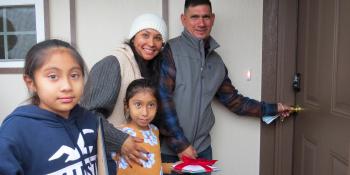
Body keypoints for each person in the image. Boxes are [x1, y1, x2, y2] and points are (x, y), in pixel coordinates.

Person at [158, 0, 292, 174]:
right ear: (183, 19)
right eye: (195, 17)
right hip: (170, 151)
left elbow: (235, 101)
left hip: (202, 150)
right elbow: (162, 101)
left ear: (212, 19)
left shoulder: (216, 62)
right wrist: (181, 145)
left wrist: (274, 108)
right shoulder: (170, 50)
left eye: (206, 17)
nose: (201, 23)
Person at [80, 13, 168, 173]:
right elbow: (88, 114)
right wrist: (120, 141)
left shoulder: (151, 68)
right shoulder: (113, 63)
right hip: (110, 162)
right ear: (133, 37)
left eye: (158, 38)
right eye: (145, 35)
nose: (151, 43)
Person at [0, 39, 98, 174]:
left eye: (74, 75)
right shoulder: (15, 132)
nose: (67, 86)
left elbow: (105, 160)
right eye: (53, 76)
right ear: (31, 83)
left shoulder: (90, 119)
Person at [114, 78, 176, 175]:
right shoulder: (120, 134)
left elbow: (153, 165)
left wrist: (177, 166)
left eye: (151, 105)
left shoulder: (154, 130)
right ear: (127, 106)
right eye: (138, 104)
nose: (145, 113)